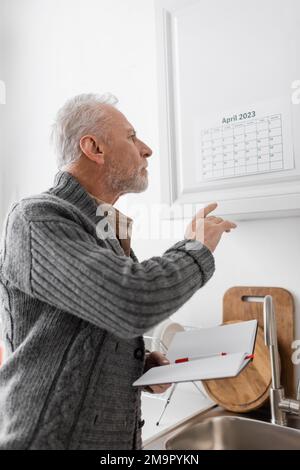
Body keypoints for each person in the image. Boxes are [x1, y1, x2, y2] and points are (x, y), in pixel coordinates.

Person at [0, 93, 236, 450]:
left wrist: (135, 364)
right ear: (94, 147)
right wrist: (196, 249)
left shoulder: (104, 229)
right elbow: (132, 302)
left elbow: (92, 327)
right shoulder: (37, 218)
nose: (146, 150)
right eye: (131, 136)